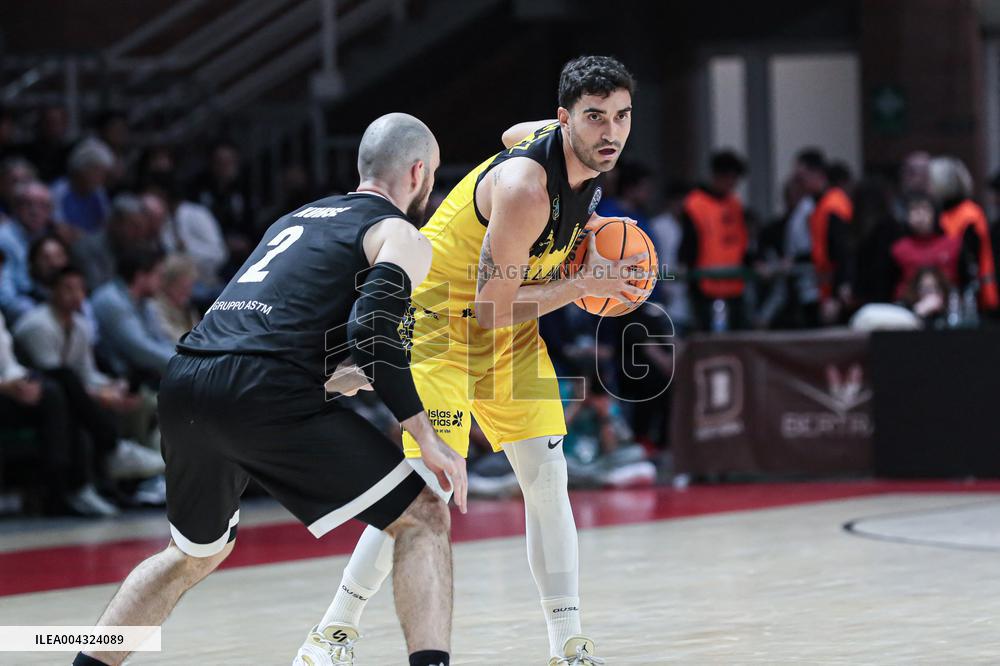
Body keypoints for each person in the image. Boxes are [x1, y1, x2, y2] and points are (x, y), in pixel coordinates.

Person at [73, 113, 467, 666]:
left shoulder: (295, 218)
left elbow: (274, 325)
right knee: (425, 515)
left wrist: (335, 374)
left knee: (190, 553)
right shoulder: (400, 232)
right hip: (261, 390)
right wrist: (425, 436)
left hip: (187, 379)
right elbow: (372, 328)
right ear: (420, 173)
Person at [310, 55, 645, 666]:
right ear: (567, 119)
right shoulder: (524, 189)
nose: (611, 133)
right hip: (441, 323)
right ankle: (335, 630)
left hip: (506, 331)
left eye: (621, 117)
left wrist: (583, 233)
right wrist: (582, 282)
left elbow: (514, 134)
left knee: (548, 478)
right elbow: (492, 309)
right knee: (427, 490)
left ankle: (567, 641)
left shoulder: (581, 150)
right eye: (595, 119)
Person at [679, 149, 749, 331]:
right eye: (730, 178)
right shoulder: (695, 204)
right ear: (718, 176)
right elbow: (689, 243)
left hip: (734, 284)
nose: (733, 184)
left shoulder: (734, 204)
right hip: (705, 286)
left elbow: (741, 240)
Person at [90, 249, 176, 384]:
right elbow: (140, 350)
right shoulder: (111, 301)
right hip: (117, 378)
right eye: (159, 275)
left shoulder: (144, 302)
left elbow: (161, 339)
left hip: (141, 374)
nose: (161, 282)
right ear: (140, 276)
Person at [0, 180, 55, 321]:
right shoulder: (4, 239)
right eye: (28, 204)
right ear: (15, 208)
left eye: (43, 206)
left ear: (50, 212)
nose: (35, 211)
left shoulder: (49, 239)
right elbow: (6, 297)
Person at [50, 138, 115, 240]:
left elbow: (106, 227)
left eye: (103, 173)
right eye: (96, 172)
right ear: (81, 169)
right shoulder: (59, 190)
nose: (101, 178)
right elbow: (60, 228)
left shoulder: (99, 193)